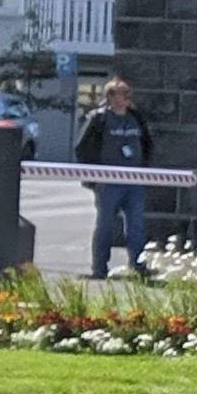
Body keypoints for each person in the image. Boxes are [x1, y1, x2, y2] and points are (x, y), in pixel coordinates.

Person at [74, 74, 154, 279]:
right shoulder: (99, 119)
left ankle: (138, 266)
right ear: (110, 97)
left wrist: (145, 170)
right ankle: (99, 269)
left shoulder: (136, 117)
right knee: (105, 226)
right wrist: (94, 176)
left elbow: (147, 145)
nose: (128, 97)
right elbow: (82, 148)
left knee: (136, 226)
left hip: (134, 182)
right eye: (123, 94)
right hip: (108, 183)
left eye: (128, 93)